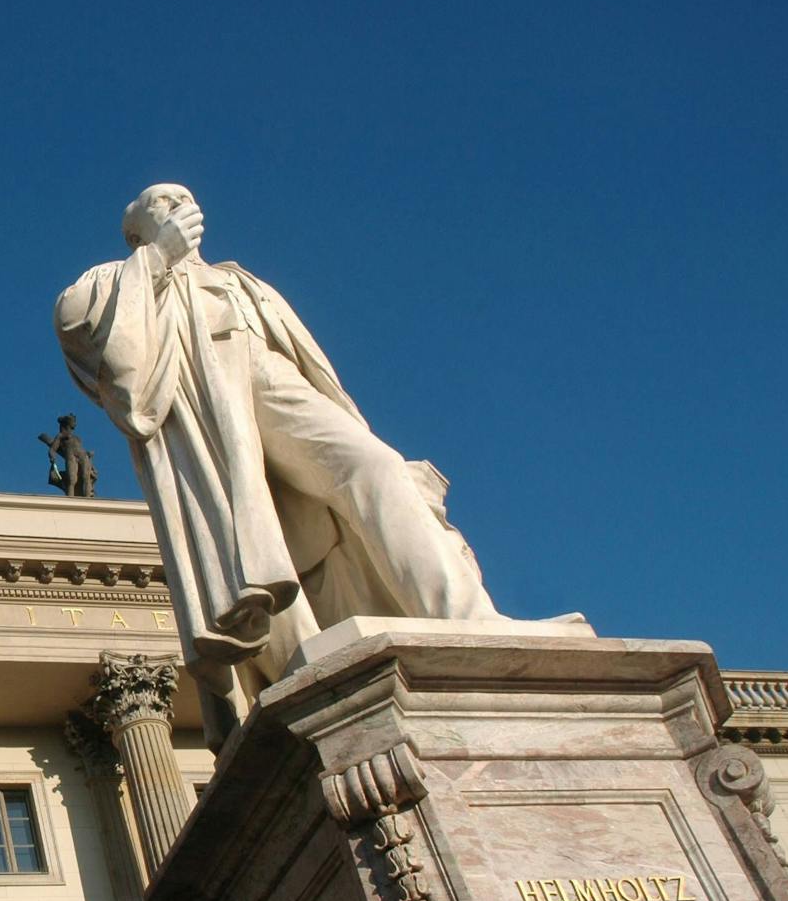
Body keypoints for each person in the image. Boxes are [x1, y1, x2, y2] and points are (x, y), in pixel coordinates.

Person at [56, 183, 499, 698]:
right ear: (135, 233)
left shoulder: (240, 280)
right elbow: (77, 322)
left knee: (375, 465)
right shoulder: (114, 277)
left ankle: (468, 619)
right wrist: (159, 259)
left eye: (185, 199)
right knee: (250, 533)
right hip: (210, 397)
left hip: (272, 377)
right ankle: (307, 669)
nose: (179, 206)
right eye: (162, 202)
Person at [39, 412, 97, 497]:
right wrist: (52, 457)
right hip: (71, 456)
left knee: (86, 478)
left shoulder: (77, 438)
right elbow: (53, 449)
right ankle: (71, 499)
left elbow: (81, 449)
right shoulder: (61, 436)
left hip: (83, 456)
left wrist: (88, 454)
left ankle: (88, 499)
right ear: (67, 423)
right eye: (73, 422)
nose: (74, 424)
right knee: (72, 479)